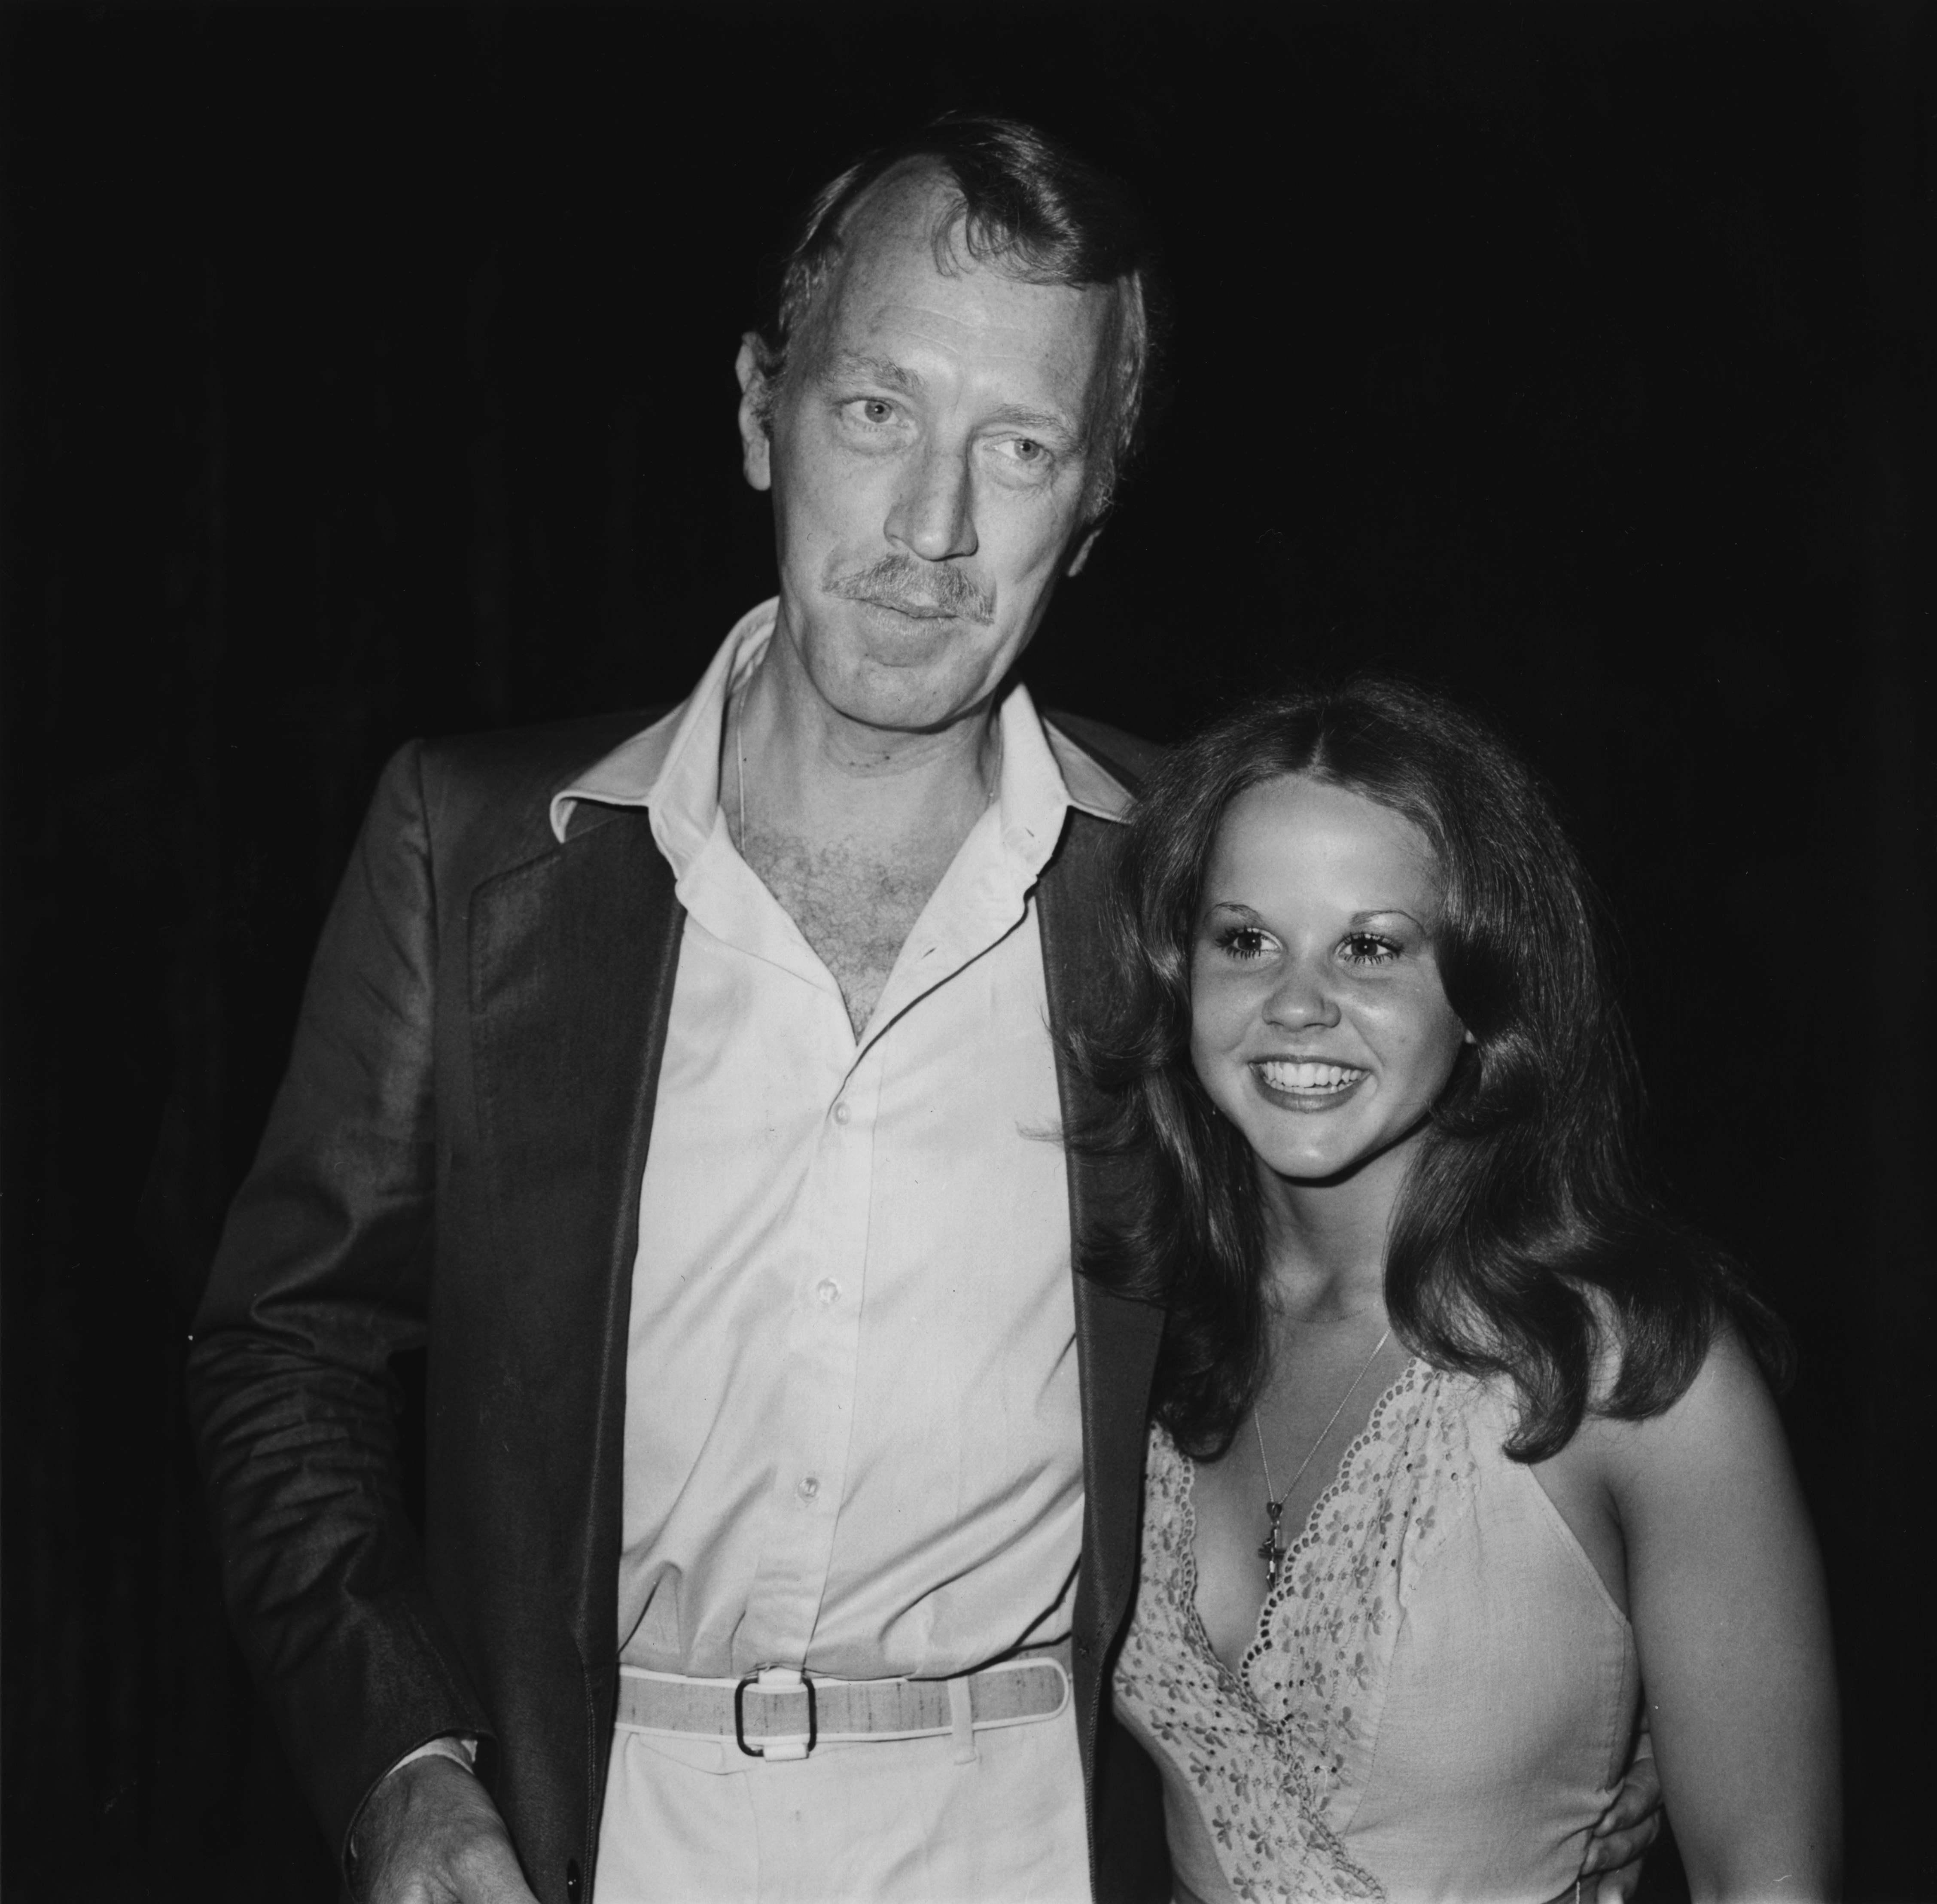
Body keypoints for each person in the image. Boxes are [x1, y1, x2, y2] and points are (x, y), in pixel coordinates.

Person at [186, 116, 1663, 1904]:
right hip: (595, 1841)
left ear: (1092, 507)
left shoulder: (1195, 887)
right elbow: (285, 1351)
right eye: (878, 409)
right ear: (762, 410)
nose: (934, 528)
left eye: (1020, 448)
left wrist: (1600, 1667)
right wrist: (403, 1767)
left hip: (1031, 1840)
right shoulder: (479, 844)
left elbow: (1429, 1261)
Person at [1081, 680, 1841, 1901]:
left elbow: (1770, 1881)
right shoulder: (1131, 1329)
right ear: (1182, 975)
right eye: (1247, 940)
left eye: (1373, 947)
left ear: (1483, 994)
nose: (1297, 1003)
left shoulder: (1631, 1371)